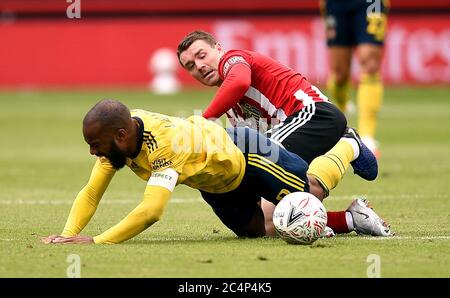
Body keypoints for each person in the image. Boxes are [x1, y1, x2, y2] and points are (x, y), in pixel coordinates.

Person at [41, 99, 390, 244]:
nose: (93, 152)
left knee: (310, 193)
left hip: (247, 153)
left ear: (120, 136)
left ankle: (348, 144)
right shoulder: (118, 138)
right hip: (216, 182)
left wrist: (96, 241)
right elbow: (91, 192)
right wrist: (68, 233)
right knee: (260, 231)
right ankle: (351, 220)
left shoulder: (164, 144)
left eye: (95, 145)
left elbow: (152, 211)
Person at [176, 30, 381, 236]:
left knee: (274, 176)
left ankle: (349, 143)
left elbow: (239, 82)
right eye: (191, 66)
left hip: (313, 114)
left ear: (219, 48)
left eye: (201, 55)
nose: (200, 66)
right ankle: (351, 219)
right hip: (290, 132)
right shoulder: (232, 108)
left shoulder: (233, 59)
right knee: (267, 224)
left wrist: (202, 123)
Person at [321, 0, 388, 157]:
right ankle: (342, 108)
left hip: (370, 3)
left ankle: (367, 137)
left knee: (370, 62)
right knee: (339, 73)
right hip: (336, 4)